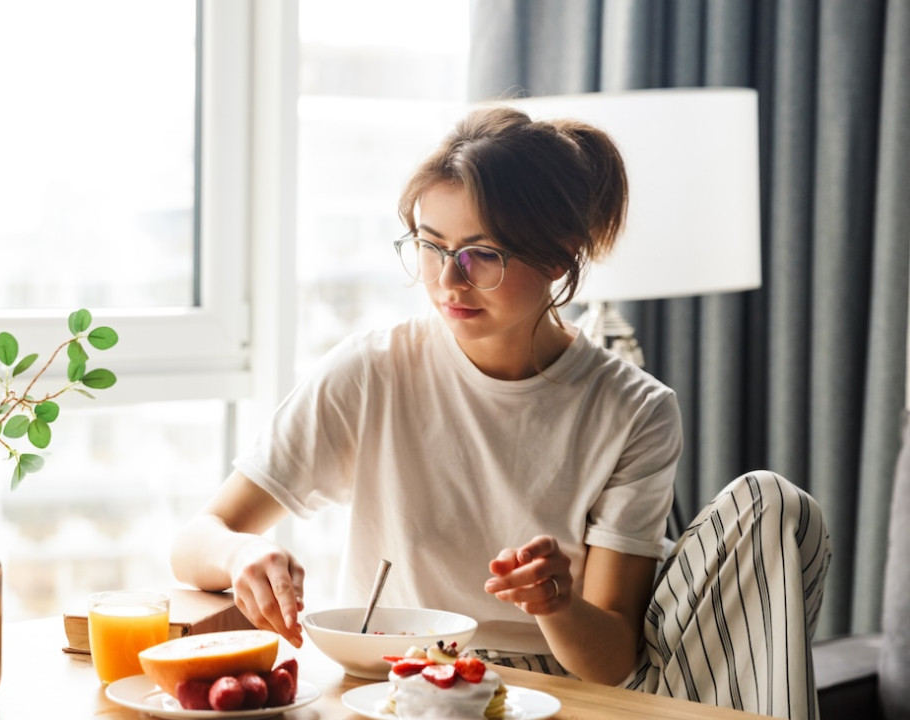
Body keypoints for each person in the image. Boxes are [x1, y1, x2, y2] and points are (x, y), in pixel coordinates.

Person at [171, 104, 829, 718]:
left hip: (555, 690)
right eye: (430, 245)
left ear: (561, 254)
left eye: (482, 255)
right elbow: (197, 540)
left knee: (776, 506)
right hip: (399, 683)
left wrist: (556, 602)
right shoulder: (372, 371)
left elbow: (606, 663)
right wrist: (241, 557)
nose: (447, 280)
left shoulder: (635, 410)